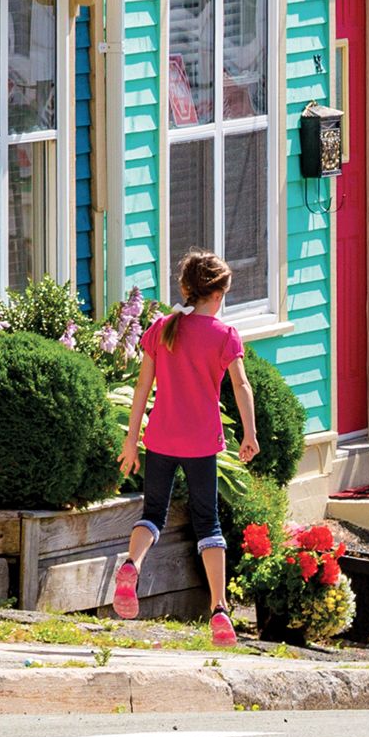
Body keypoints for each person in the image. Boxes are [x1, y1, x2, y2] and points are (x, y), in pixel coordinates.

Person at [112, 251, 259, 646]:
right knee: (207, 524)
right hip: (200, 443)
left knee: (153, 514)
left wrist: (131, 441)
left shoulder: (162, 328)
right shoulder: (224, 336)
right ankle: (220, 609)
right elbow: (242, 387)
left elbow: (142, 387)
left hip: (160, 437)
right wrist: (250, 433)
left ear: (187, 289)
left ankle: (132, 564)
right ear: (219, 293)